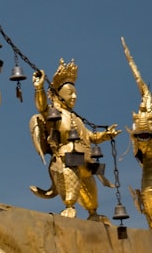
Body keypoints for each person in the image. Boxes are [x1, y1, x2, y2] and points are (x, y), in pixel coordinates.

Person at [29, 58, 119, 220]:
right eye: (70, 93)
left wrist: (105, 135)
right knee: (71, 191)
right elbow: (42, 107)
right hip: (67, 160)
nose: (74, 96)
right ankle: (69, 207)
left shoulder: (76, 118)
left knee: (91, 201)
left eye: (75, 93)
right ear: (59, 94)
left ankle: (93, 214)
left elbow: (90, 136)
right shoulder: (55, 114)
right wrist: (38, 88)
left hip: (86, 163)